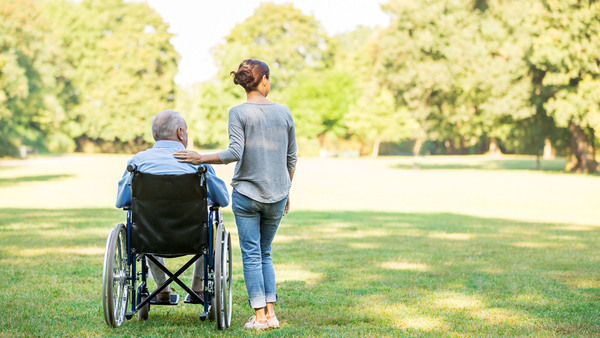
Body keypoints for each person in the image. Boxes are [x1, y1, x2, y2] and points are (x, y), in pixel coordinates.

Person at [174, 59, 297, 330]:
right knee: (265, 252)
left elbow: (234, 153)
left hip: (247, 194)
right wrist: (286, 191)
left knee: (252, 254)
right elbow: (291, 159)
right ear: (263, 80)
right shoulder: (284, 112)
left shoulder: (238, 112)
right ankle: (271, 314)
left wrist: (200, 157)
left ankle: (260, 317)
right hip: (277, 194)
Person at [116, 110, 229, 303]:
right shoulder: (197, 164)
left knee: (146, 221)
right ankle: (198, 288)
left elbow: (122, 202)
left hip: (149, 237)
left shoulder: (137, 163)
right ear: (180, 133)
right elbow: (224, 200)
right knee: (210, 222)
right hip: (193, 237)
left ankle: (162, 290)